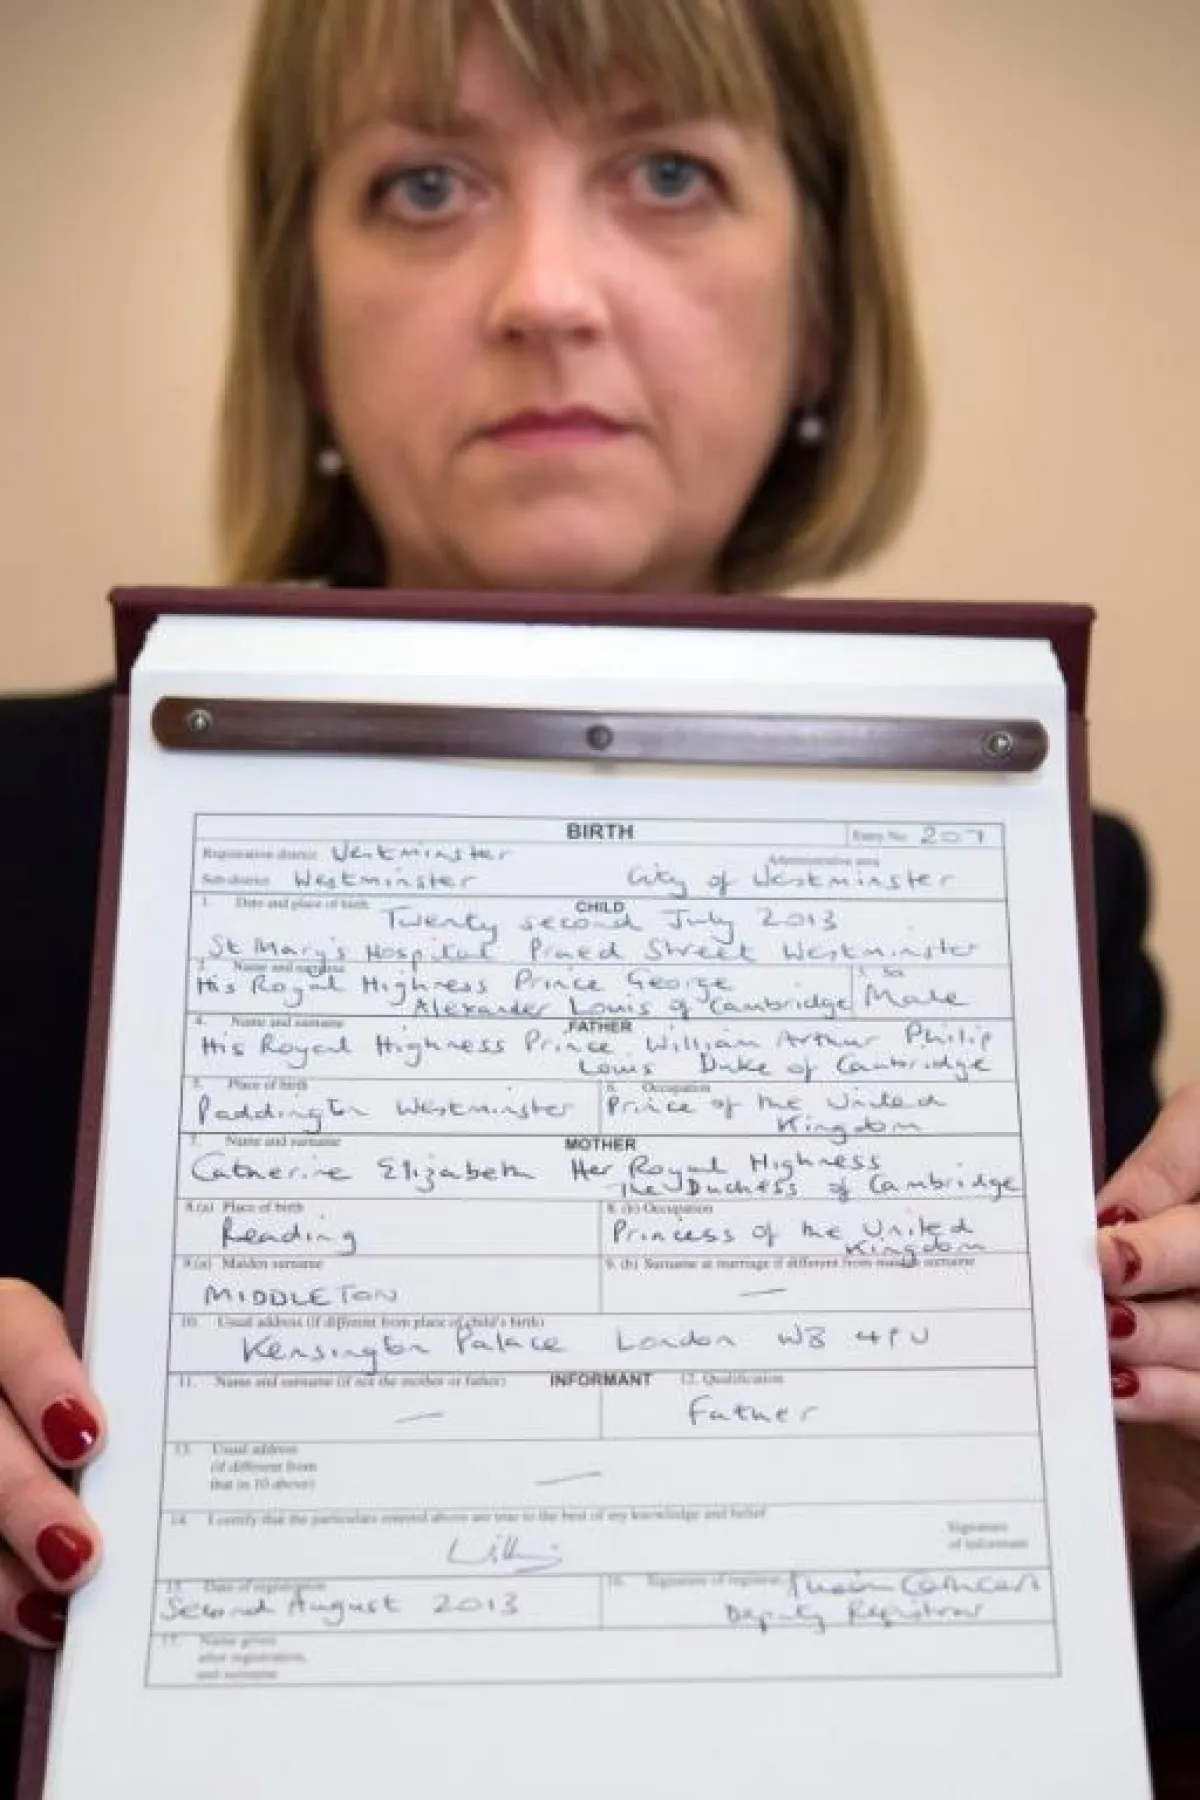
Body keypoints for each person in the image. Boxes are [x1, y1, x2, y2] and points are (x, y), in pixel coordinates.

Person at [0, 0, 1197, 1755]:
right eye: (425, 184)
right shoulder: (16, 832)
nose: (545, 294)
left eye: (667, 173)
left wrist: (1148, 1527)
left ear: (821, 315)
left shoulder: (1051, 888)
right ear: (300, 316)